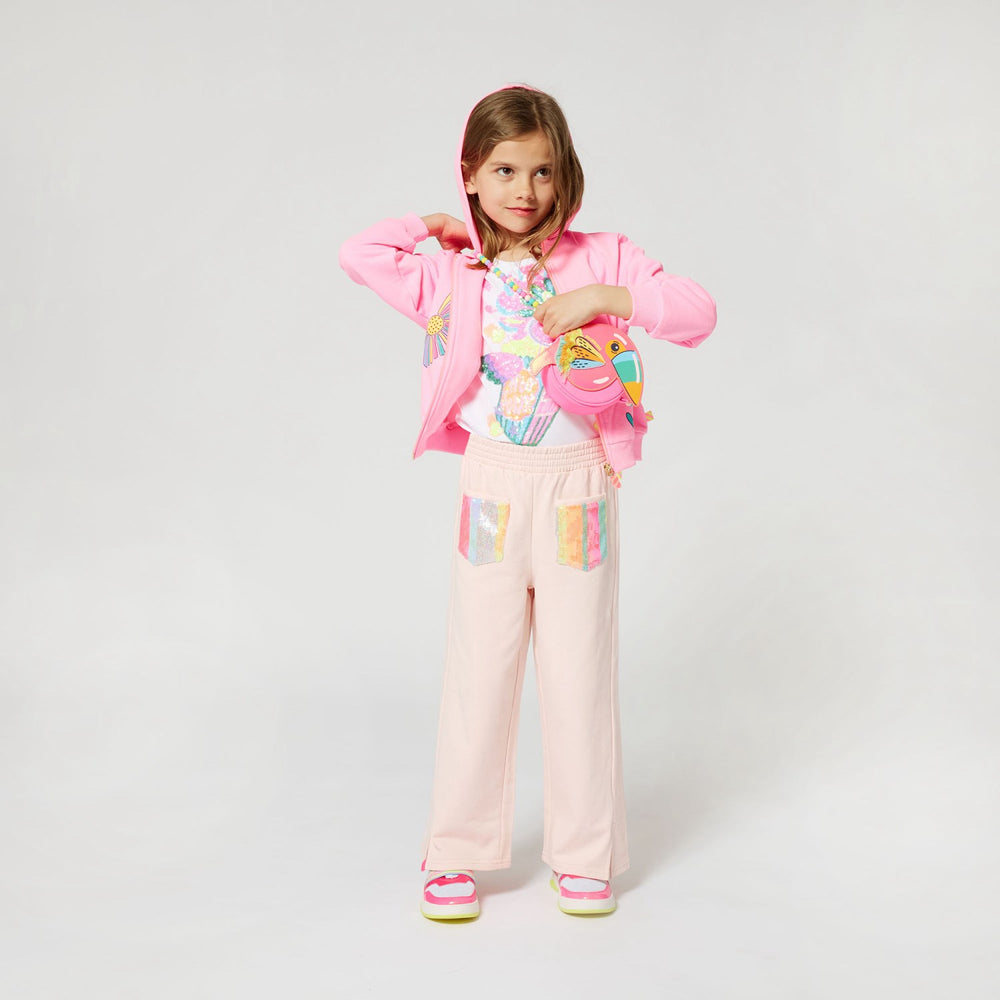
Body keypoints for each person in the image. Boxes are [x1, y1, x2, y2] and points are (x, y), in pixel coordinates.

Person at [339, 85, 716, 920]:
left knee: (579, 672)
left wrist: (607, 299)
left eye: (543, 171)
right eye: (504, 170)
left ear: (565, 174)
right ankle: (455, 851)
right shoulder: (451, 273)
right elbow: (359, 253)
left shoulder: (605, 256)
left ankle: (585, 854)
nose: (525, 189)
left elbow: (698, 314)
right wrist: (432, 225)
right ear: (471, 173)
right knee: (480, 669)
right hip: (493, 486)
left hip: (580, 485)